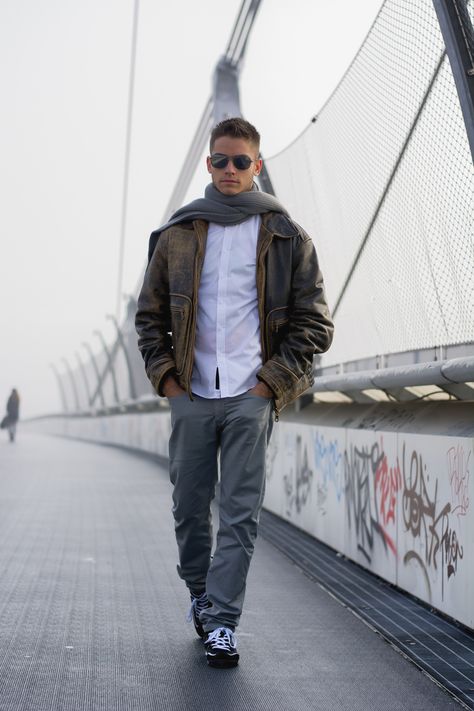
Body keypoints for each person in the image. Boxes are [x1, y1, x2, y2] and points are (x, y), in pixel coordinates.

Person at [135, 117, 334, 668]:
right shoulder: (178, 233)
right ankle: (199, 593)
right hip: (192, 394)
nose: (229, 170)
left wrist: (270, 384)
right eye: (220, 160)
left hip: (251, 395)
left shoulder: (286, 235)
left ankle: (223, 622)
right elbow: (149, 318)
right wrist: (169, 382)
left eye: (240, 162)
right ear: (208, 164)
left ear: (257, 165)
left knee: (240, 513)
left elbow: (314, 323)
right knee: (189, 508)